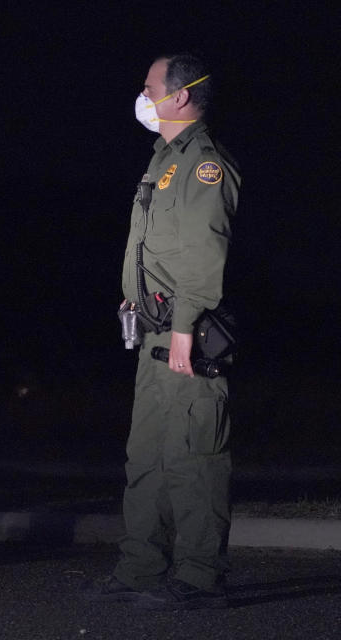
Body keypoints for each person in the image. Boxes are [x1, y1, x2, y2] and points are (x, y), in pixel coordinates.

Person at [84, 54, 241, 610]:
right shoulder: (161, 160)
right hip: (153, 335)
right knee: (146, 458)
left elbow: (203, 256)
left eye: (150, 87)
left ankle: (199, 578)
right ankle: (141, 567)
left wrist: (182, 329)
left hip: (188, 337)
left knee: (193, 459)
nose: (143, 95)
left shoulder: (203, 165)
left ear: (180, 97)